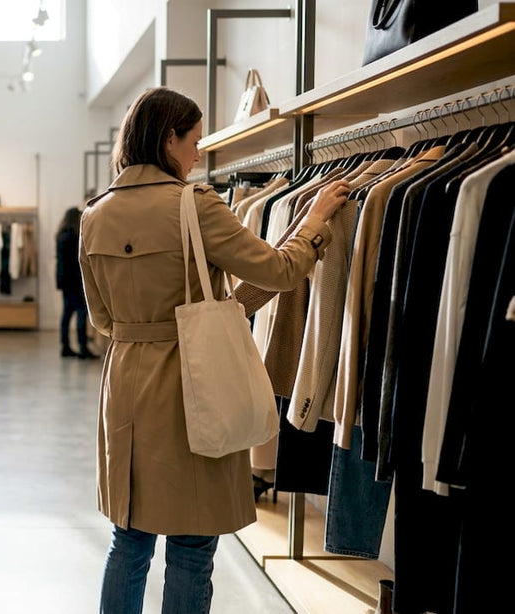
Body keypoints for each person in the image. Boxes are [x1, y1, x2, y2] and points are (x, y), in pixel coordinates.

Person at [79, 87, 350, 613]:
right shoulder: (193, 205)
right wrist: (314, 222)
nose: (198, 154)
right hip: (190, 383)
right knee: (192, 543)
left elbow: (102, 319)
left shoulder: (95, 214)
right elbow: (279, 270)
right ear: (168, 139)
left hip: (125, 386)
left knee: (129, 540)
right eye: (194, 140)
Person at [55, 205, 97, 359]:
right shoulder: (74, 236)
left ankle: (65, 346)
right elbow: (77, 262)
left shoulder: (60, 235)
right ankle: (83, 347)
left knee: (67, 313)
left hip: (64, 280)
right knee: (81, 312)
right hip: (74, 280)